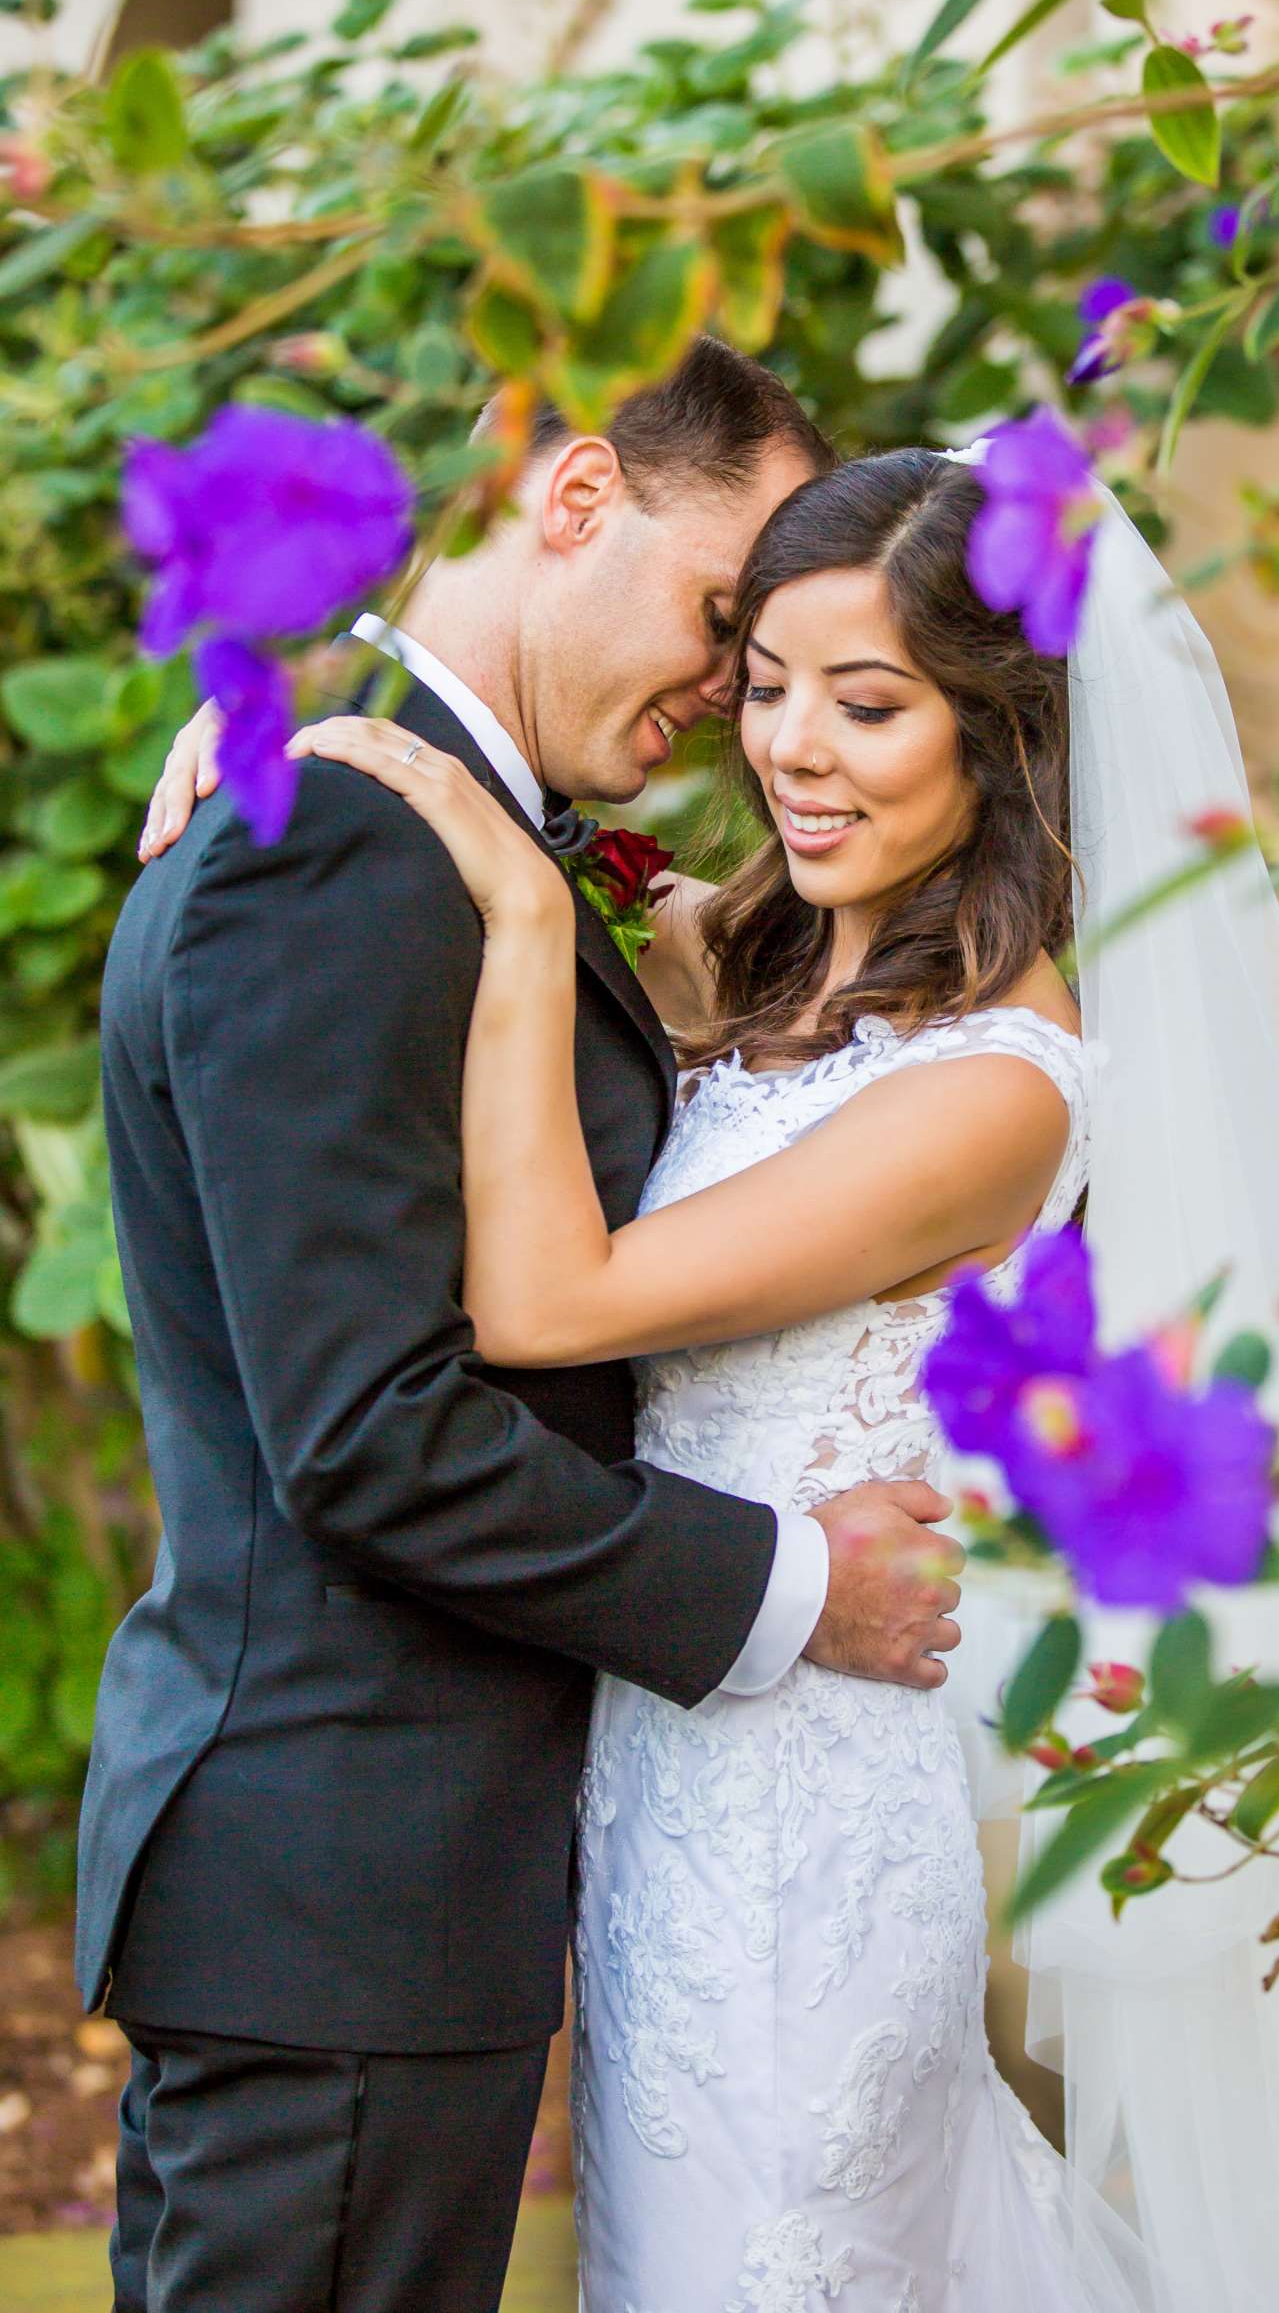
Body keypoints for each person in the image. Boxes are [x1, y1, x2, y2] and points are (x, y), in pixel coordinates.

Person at [84, 341, 966, 2313]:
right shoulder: (327, 851)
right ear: (576, 499)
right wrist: (789, 1587)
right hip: (337, 1887)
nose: (733, 704)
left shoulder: (438, 842)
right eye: (723, 623)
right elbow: (368, 1432)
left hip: (401, 1897)